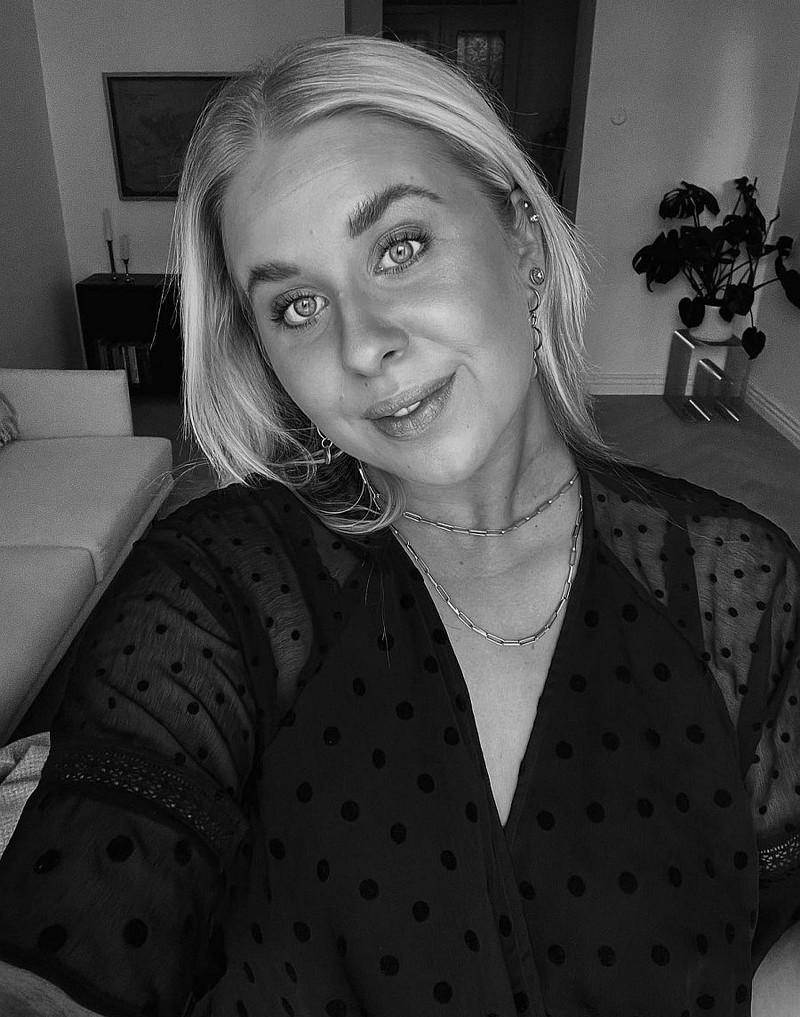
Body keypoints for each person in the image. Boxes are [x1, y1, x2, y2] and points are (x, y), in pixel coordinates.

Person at [0, 32, 799, 1017]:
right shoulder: (211, 588)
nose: (364, 343)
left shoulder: (734, 580)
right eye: (296, 304)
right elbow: (75, 921)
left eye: (400, 248)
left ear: (520, 242)